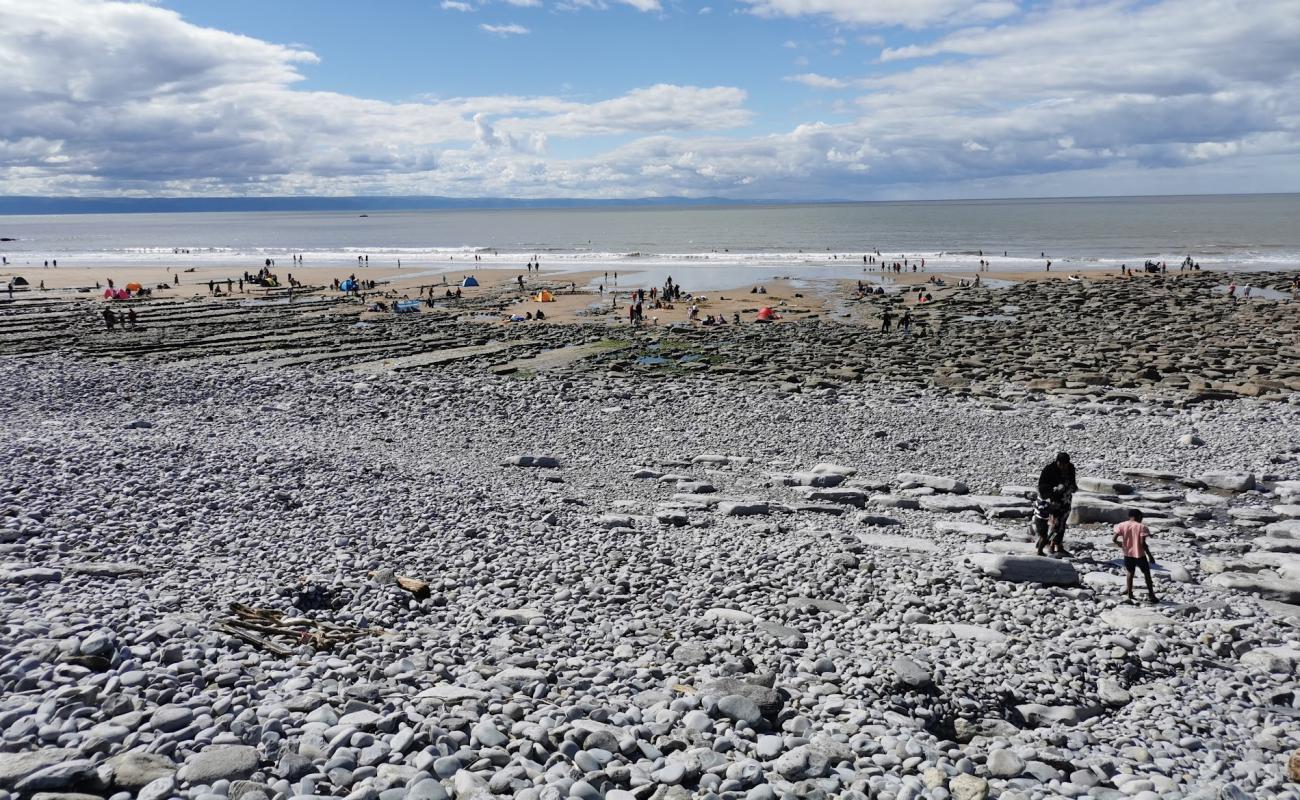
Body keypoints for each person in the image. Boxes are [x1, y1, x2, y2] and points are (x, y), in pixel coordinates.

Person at [1036, 452, 1078, 555]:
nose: (1064, 467)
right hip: (1051, 502)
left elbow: (1072, 481)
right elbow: (1042, 487)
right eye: (1062, 464)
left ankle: (1057, 545)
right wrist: (1054, 491)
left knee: (1061, 525)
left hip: (1065, 500)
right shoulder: (1049, 470)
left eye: (1066, 464)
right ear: (1057, 462)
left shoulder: (1071, 468)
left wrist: (1072, 487)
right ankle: (1047, 545)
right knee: (1055, 526)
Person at [1113, 509, 1158, 604]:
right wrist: (1150, 556)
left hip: (1127, 553)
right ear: (1139, 517)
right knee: (1146, 573)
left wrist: (1118, 543)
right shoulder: (1142, 527)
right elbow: (1142, 543)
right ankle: (1151, 595)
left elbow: (1114, 539)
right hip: (1139, 554)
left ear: (1130, 516)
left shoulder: (1121, 525)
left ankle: (1129, 594)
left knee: (1130, 572)